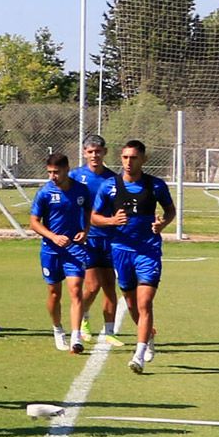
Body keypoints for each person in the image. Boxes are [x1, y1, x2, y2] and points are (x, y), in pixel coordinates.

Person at [90, 140, 175, 374]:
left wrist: (162, 224)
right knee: (131, 303)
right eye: (125, 157)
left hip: (148, 251)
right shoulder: (109, 186)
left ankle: (138, 356)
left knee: (144, 302)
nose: (128, 162)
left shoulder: (155, 185)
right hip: (120, 251)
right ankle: (148, 337)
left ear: (144, 159)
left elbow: (170, 210)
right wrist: (111, 221)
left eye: (134, 157)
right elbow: (94, 217)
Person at [30, 153, 93, 354]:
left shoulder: (81, 190)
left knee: (75, 289)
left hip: (75, 248)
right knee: (54, 293)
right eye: (49, 172)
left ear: (67, 169)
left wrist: (85, 231)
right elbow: (34, 222)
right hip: (51, 250)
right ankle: (57, 329)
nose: (52, 176)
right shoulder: (45, 193)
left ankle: (76, 337)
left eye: (56, 172)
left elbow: (89, 212)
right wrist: (53, 236)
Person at [69, 134, 123, 346]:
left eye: (98, 151)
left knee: (110, 285)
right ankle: (83, 317)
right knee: (92, 286)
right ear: (84, 153)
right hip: (87, 239)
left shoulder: (113, 179)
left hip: (109, 238)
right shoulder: (75, 177)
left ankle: (109, 332)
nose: (94, 155)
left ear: (105, 152)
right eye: (90, 152)